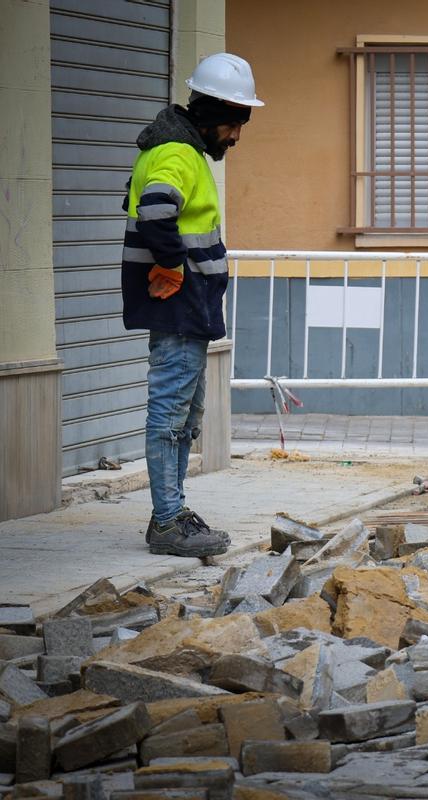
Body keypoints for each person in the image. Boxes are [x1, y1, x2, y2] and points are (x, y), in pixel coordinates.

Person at [120, 53, 264, 557]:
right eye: (232, 124)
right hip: (179, 305)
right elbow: (157, 209)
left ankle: (174, 510)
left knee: (186, 414)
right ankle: (166, 521)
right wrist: (171, 268)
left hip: (191, 305)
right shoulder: (177, 154)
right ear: (207, 115)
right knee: (170, 413)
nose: (236, 137)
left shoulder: (181, 150)